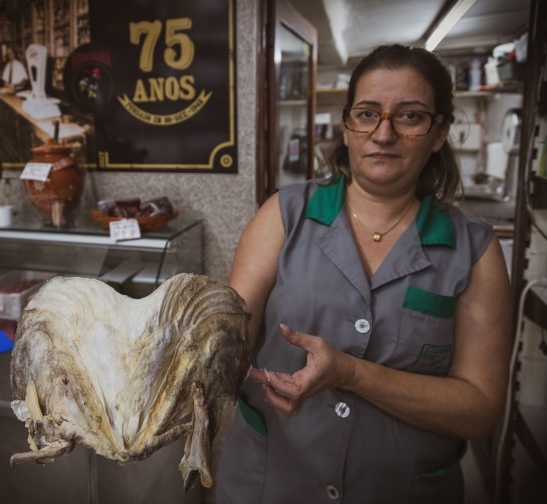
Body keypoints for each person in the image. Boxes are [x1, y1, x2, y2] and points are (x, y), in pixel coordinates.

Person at [215, 44, 512, 503]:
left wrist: (351, 373)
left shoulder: (474, 248)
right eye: (368, 113)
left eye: (410, 116)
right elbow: (228, 342)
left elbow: (479, 410)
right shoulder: (285, 214)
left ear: (439, 133)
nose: (384, 133)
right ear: (348, 128)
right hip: (271, 483)